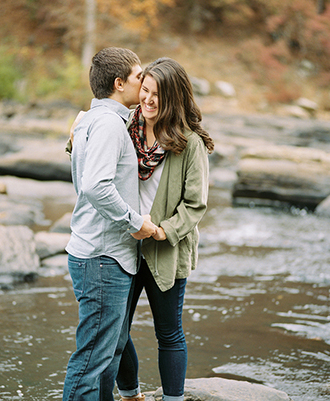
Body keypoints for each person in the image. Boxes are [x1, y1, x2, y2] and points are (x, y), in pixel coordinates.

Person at [114, 57, 214, 401]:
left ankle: (173, 399)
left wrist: (161, 231)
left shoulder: (189, 143)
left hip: (165, 248)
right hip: (123, 246)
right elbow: (91, 155)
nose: (148, 100)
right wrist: (76, 132)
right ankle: (130, 395)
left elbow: (195, 205)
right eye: (145, 90)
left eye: (158, 94)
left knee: (169, 333)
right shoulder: (126, 125)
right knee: (116, 332)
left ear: (175, 98)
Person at [63, 47, 158, 401]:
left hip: (101, 253)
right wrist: (135, 222)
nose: (143, 82)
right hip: (103, 257)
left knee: (107, 357)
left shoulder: (90, 120)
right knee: (91, 361)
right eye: (137, 77)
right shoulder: (106, 125)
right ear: (119, 84)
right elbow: (95, 186)